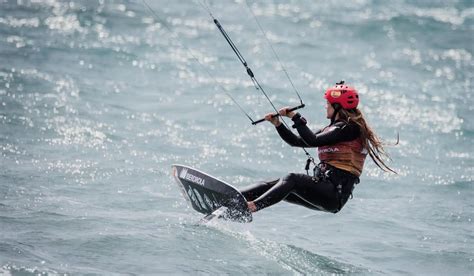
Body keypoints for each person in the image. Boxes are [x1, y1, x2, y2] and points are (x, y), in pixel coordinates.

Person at [240, 81, 395, 213]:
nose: (325, 107)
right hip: (325, 189)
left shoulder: (349, 128)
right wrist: (278, 125)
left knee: (292, 179)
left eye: (328, 104)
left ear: (337, 106)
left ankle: (251, 207)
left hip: (334, 194)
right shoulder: (334, 130)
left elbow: (312, 140)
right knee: (271, 186)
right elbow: (299, 141)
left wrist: (295, 117)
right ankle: (234, 199)